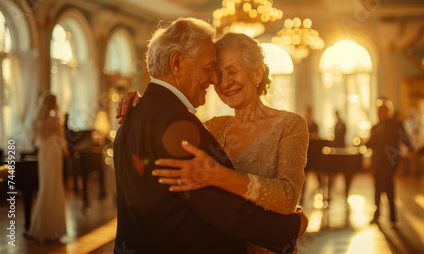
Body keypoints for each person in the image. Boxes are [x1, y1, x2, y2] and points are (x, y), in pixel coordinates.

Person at [113, 18, 306, 254]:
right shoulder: (188, 126)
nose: (217, 81)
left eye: (232, 71)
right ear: (176, 63)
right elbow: (225, 211)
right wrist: (293, 227)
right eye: (210, 69)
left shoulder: (135, 115)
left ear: (257, 73)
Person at [27, 92, 68, 241]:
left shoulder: (35, 120)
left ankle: (41, 227)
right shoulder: (55, 118)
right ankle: (52, 228)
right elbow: (62, 139)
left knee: (45, 187)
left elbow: (33, 140)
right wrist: (65, 151)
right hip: (54, 152)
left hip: (43, 152)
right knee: (54, 187)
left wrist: (43, 141)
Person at [365, 100, 411, 224]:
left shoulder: (396, 125)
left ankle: (392, 216)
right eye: (378, 111)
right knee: (378, 187)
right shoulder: (375, 127)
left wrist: (411, 148)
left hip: (390, 162)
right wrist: (363, 143)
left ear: (387, 112)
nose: (379, 114)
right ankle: (378, 214)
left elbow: (404, 138)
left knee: (388, 186)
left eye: (381, 111)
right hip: (378, 163)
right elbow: (372, 143)